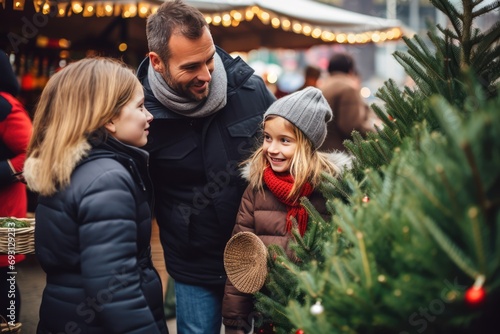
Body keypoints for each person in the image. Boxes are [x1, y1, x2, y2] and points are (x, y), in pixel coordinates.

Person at [136, 1, 276, 332]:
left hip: (260, 257)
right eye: (190, 67)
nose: (206, 75)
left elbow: (289, 155)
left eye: (210, 58)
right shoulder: (139, 113)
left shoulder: (250, 89)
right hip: (193, 265)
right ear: (157, 62)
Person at [22, 57, 168, 334]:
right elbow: (116, 291)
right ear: (109, 119)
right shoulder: (107, 180)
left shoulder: (66, 168)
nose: (149, 116)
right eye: (139, 106)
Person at [221, 87, 351, 333]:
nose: (271, 148)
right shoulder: (256, 190)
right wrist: (235, 322)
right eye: (268, 137)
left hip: (319, 318)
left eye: (284, 140)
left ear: (306, 144)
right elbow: (242, 260)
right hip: (269, 316)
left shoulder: (330, 191)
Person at [0, 50, 32, 329]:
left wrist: (3, 171)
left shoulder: (5, 106)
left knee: (5, 278)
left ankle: (10, 326)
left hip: (5, 209)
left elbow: (32, 152)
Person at [319, 52, 379, 152]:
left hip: (323, 150)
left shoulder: (323, 86)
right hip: (339, 153)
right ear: (351, 70)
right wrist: (377, 132)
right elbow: (351, 127)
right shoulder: (348, 89)